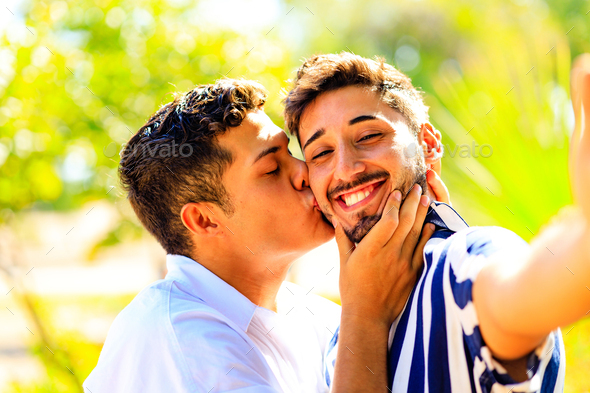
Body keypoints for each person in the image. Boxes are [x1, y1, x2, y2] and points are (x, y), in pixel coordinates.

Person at [83, 78, 448, 392]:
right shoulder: (181, 343)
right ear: (205, 220)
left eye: (291, 153)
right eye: (273, 168)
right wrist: (365, 315)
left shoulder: (312, 317)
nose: (307, 172)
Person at [284, 52, 590, 392]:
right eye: (321, 154)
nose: (344, 168)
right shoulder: (337, 341)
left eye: (369, 136)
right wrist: (361, 315)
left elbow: (534, 287)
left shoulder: (464, 262)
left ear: (427, 146)